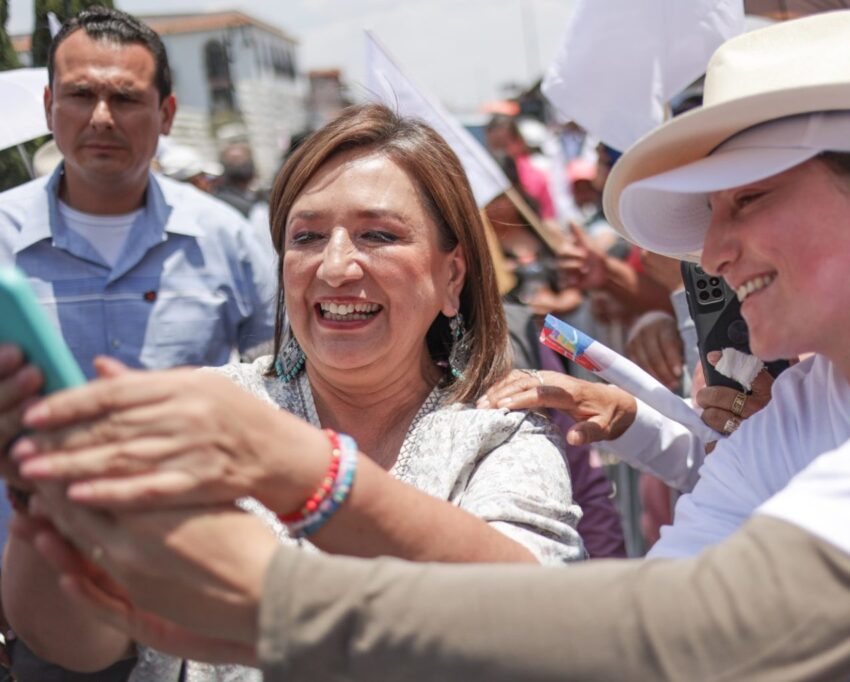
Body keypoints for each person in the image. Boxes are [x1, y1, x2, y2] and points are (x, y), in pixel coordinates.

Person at [10, 10, 850, 680]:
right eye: (305, 235)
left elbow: (724, 631)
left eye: (749, 198)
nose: (710, 251)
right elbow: (638, 619)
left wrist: (295, 549)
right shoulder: (806, 411)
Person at [1, 103, 583, 679]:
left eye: (377, 234)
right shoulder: (206, 405)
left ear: (451, 276)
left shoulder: (502, 437)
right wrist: (42, 499)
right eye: (306, 237)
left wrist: (308, 473)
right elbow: (80, 645)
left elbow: (536, 620)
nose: (335, 268)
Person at [0, 7, 276, 678]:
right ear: (48, 104)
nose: (101, 117)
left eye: (125, 98)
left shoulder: (230, 240)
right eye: (80, 94)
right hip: (39, 593)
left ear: (168, 111)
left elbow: (288, 387)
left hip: (197, 595)